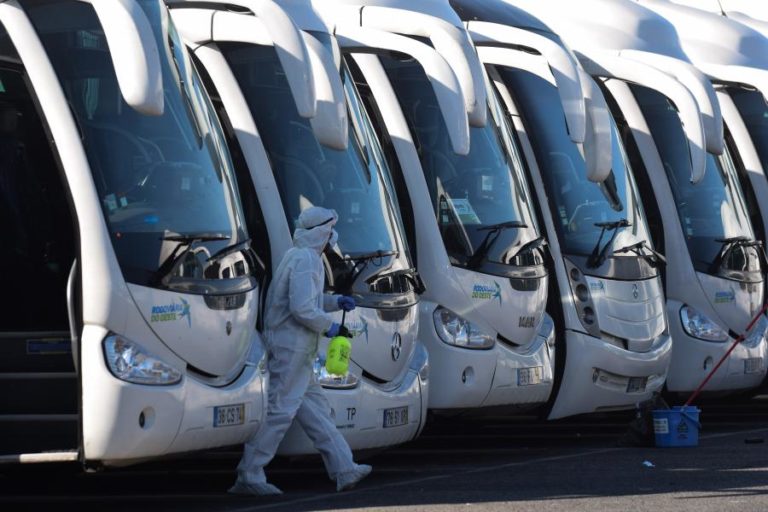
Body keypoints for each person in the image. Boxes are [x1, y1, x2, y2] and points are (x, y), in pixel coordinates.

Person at [229, 206, 372, 496]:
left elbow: (307, 298)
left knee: (316, 411)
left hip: (296, 347)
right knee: (280, 411)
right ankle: (250, 473)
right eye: (330, 230)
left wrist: (334, 302)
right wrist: (330, 328)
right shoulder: (307, 259)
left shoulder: (299, 257)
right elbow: (303, 308)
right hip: (290, 346)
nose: (333, 237)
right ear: (321, 232)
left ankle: (345, 468)